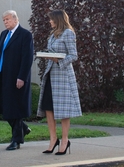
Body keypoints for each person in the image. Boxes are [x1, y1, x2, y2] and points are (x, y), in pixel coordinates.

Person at [37, 9, 81, 156]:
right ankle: (53, 139)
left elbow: (73, 55)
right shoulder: (53, 34)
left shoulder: (68, 33)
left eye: (51, 19)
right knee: (48, 107)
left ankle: (64, 140)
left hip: (63, 76)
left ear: (58, 19)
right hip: (51, 75)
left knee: (63, 110)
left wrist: (58, 61)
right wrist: (48, 56)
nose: (50, 21)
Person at [0, 10, 34, 150]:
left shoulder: (25, 35)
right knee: (5, 107)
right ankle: (23, 128)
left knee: (15, 108)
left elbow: (27, 58)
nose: (5, 22)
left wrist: (22, 76)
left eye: (7, 19)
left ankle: (16, 140)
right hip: (3, 75)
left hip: (16, 77)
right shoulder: (4, 34)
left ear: (15, 19)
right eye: (3, 20)